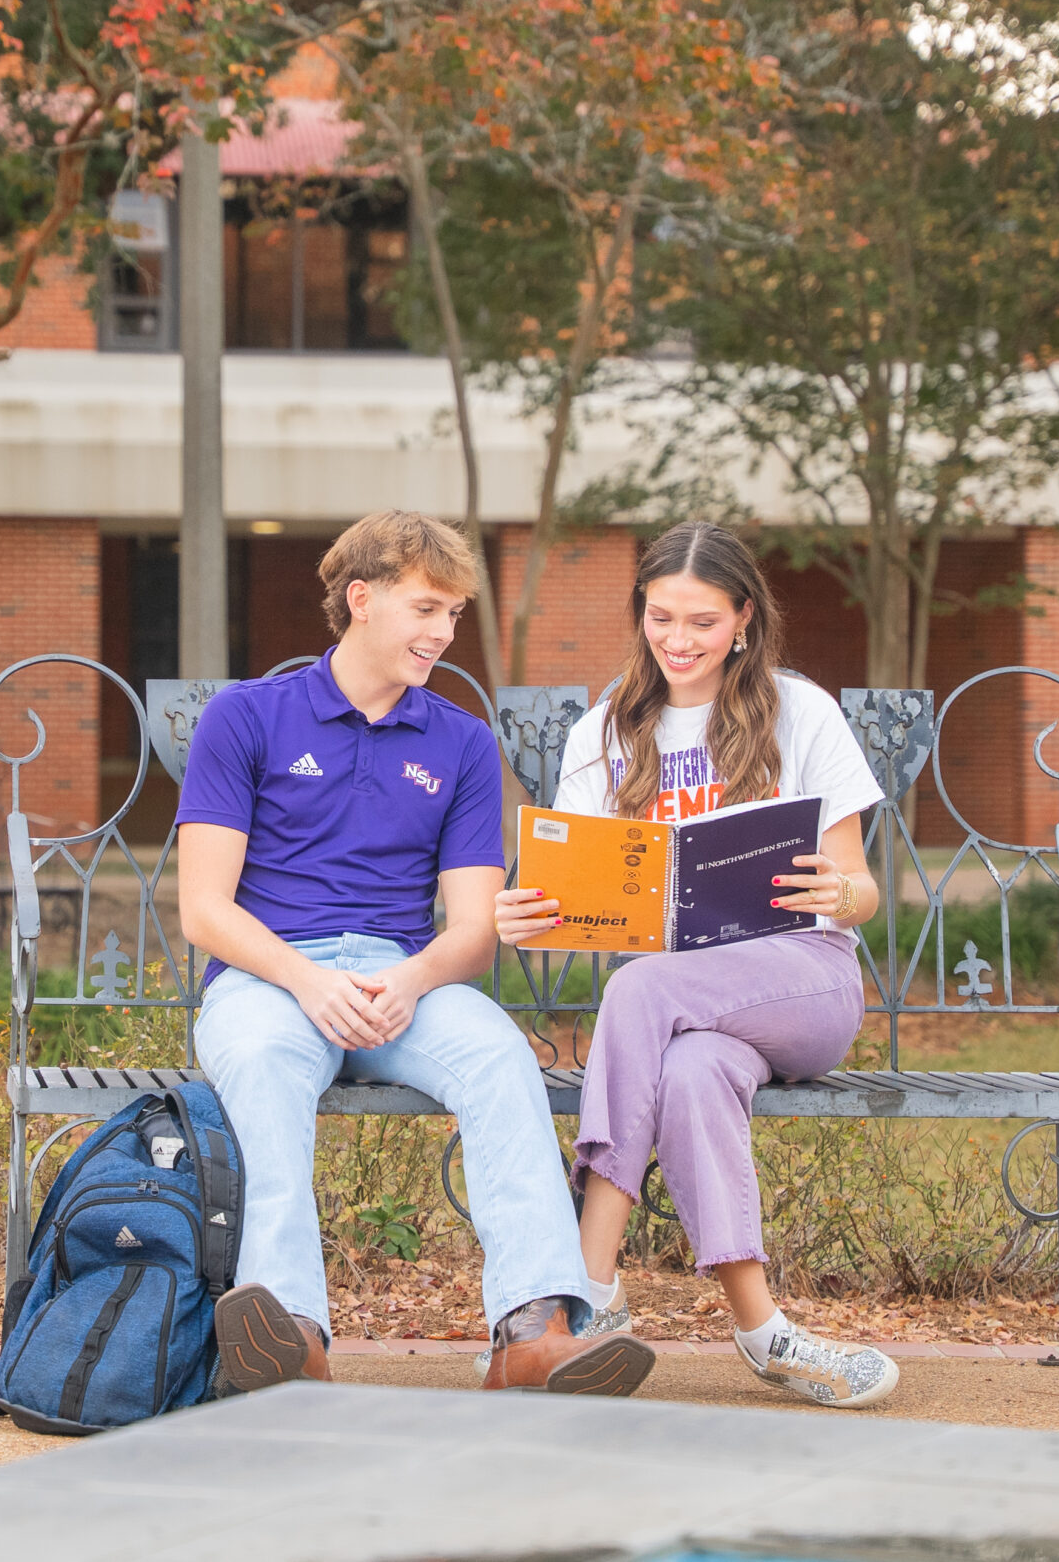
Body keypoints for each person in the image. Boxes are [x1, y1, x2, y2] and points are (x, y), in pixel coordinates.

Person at [178, 510, 654, 1398]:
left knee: (499, 1058)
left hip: (407, 979)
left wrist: (409, 977)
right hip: (271, 976)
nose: (442, 632)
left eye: (455, 614)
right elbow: (204, 909)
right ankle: (291, 1337)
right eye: (426, 608)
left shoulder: (463, 742)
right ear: (361, 599)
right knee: (260, 1062)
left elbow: (472, 930)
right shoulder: (247, 718)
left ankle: (533, 1332)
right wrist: (309, 980)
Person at [497, 520, 902, 1408]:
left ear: (745, 620)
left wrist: (840, 895)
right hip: (683, 1012)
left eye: (703, 623)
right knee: (688, 1071)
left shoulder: (801, 712)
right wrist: (530, 917)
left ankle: (589, 1288)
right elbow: (580, 898)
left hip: (803, 981)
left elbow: (862, 887)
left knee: (641, 988)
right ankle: (766, 1332)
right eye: (660, 617)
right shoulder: (606, 731)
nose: (678, 641)